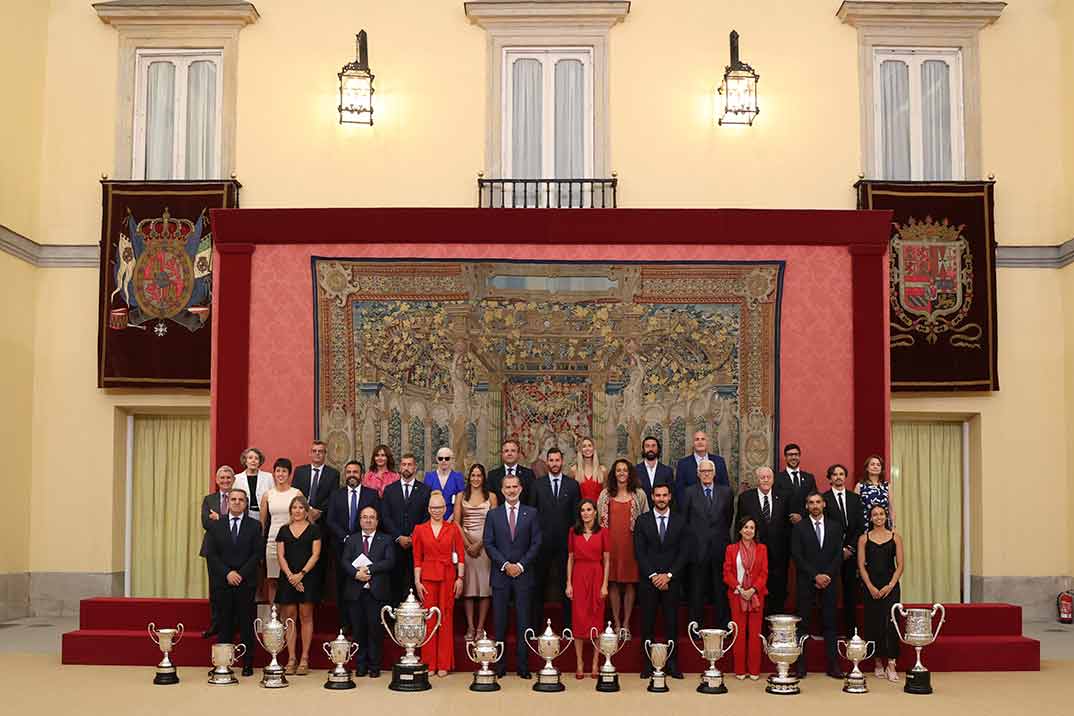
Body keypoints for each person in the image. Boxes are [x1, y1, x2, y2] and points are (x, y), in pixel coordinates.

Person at [483, 473, 542, 678]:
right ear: (502, 490)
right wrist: (506, 564)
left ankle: (523, 667)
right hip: (501, 575)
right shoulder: (493, 515)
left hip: (524, 576)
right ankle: (499, 667)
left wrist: (521, 565)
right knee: (499, 623)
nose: (511, 490)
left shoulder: (531, 513)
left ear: (520, 489)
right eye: (507, 487)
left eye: (514, 487)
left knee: (523, 622)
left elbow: (536, 543)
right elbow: (488, 543)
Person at [204, 488, 263, 677]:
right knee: (224, 624)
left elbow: (257, 554)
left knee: (246, 624)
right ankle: (223, 662)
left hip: (245, 582)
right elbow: (211, 555)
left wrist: (241, 574)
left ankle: (247, 663)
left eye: (241, 500)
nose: (237, 502)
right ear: (228, 502)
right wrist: (228, 573)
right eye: (234, 499)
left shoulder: (255, 526)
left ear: (246, 504)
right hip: (223, 582)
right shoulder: (215, 525)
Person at [634, 483, 689, 679]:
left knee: (671, 624)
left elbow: (684, 552)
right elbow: (639, 552)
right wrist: (654, 576)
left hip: (672, 581)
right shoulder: (642, 521)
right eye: (658, 495)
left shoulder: (680, 521)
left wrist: (669, 576)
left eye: (665, 495)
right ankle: (648, 664)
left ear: (670, 497)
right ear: (652, 497)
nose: (661, 499)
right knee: (647, 624)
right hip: (649, 581)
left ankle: (672, 663)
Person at [791, 492, 844, 679]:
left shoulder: (835, 527)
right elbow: (797, 555)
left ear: (824, 505)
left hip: (830, 581)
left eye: (818, 502)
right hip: (807, 581)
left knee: (830, 623)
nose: (815, 505)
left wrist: (827, 575)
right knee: (802, 624)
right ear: (806, 506)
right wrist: (815, 575)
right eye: (811, 502)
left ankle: (833, 666)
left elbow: (839, 554)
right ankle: (800, 666)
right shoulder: (799, 527)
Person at [412, 490, 466, 677]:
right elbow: (417, 558)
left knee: (445, 618)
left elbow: (460, 555)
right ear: (428, 509)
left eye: (440, 507)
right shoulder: (419, 529)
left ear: (445, 508)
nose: (437, 510)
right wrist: (417, 582)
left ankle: (444, 663)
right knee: (429, 619)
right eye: (433, 507)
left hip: (448, 577)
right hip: (427, 577)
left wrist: (460, 578)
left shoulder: (453, 528)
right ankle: (429, 663)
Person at [341, 505, 396, 678]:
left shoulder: (386, 539)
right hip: (356, 592)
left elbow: (389, 562)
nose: (368, 520)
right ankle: (360, 665)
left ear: (377, 521)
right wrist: (356, 574)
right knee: (358, 630)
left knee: (375, 630)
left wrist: (369, 569)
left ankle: (374, 666)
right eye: (365, 517)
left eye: (372, 517)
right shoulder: (352, 540)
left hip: (376, 593)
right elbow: (344, 561)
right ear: (360, 520)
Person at [596, 458, 649, 636]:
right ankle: (616, 623)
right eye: (618, 470)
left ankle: (626, 623)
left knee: (629, 583)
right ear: (613, 473)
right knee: (612, 582)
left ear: (630, 473)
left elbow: (646, 519)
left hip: (631, 544)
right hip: (610, 545)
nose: (621, 473)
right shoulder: (605, 494)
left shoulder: (639, 494)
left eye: (624, 470)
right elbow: (597, 522)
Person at [530, 447, 581, 629]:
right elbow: (532, 515)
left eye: (557, 460)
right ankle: (535, 628)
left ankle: (568, 627)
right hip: (541, 544)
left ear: (562, 461)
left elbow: (577, 517)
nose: (554, 464)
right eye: (551, 460)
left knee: (566, 586)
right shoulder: (537, 485)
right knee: (538, 586)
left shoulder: (572, 485)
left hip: (565, 545)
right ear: (546, 462)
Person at [681, 458, 734, 631]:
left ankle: (723, 626)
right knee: (697, 590)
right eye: (703, 471)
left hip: (720, 548)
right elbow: (685, 520)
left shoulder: (726, 492)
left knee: (720, 590)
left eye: (709, 471)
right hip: (697, 549)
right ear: (698, 474)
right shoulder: (689, 492)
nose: (706, 474)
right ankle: (695, 628)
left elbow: (728, 518)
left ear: (714, 473)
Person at [326, 460, 379, 631]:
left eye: (355, 472)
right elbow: (330, 520)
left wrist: (357, 538)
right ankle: (345, 623)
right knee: (343, 585)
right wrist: (346, 538)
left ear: (361, 475)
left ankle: (364, 623)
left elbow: (376, 519)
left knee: (364, 585)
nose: (351, 475)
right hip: (341, 547)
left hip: (365, 547)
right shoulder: (336, 494)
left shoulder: (371, 494)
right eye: (348, 472)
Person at [274, 494, 322, 675]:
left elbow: (315, 555)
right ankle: (291, 658)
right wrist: (291, 577)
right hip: (287, 578)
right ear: (290, 510)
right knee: (289, 618)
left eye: (301, 507)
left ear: (306, 510)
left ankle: (304, 658)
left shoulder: (314, 530)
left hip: (307, 577)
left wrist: (301, 575)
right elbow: (280, 556)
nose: (297, 511)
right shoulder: (283, 530)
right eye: (294, 507)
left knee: (306, 615)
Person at [857, 504, 904, 683]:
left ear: (886, 516)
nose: (878, 517)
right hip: (870, 586)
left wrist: (890, 585)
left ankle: (891, 663)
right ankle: (877, 662)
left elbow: (900, 565)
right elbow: (861, 565)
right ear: (870, 518)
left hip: (890, 586)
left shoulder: (895, 537)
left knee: (891, 623)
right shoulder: (864, 539)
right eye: (875, 514)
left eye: (881, 514)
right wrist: (869, 586)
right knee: (873, 622)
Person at [736, 466, 790, 615]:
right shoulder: (746, 498)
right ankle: (756, 631)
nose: (766, 480)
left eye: (769, 477)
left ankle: (774, 630)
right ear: (757, 480)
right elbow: (738, 526)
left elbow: (787, 527)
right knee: (755, 591)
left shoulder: (784, 497)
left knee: (777, 592)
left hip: (779, 555)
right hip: (753, 555)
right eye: (762, 477)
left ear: (773, 480)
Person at [566, 499, 609, 679]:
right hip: (578, 575)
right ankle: (579, 663)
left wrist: (605, 584)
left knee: (596, 620)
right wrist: (568, 583)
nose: (585, 513)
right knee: (579, 620)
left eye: (589, 509)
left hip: (596, 575)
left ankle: (594, 663)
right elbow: (570, 558)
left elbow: (607, 560)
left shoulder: (604, 533)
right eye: (582, 510)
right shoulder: (572, 532)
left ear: (595, 512)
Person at [454, 463, 497, 641]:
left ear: (483, 478)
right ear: (469, 477)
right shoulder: (461, 496)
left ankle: (480, 628)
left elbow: (495, 523)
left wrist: (481, 543)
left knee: (485, 589)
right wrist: (467, 544)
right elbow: (456, 522)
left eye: (479, 475)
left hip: (486, 546)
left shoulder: (492, 497)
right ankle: (470, 627)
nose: (476, 479)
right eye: (473, 475)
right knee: (469, 589)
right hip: (466, 546)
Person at [381, 453, 431, 603]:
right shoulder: (389, 490)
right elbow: (385, 517)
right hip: (395, 545)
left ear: (415, 468)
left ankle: (416, 620)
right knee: (395, 583)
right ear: (399, 468)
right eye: (404, 464)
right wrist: (398, 537)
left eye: (410, 464)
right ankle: (395, 620)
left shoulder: (424, 490)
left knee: (416, 582)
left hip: (417, 544)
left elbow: (426, 517)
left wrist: (413, 537)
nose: (407, 468)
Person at [723, 516, 768, 680]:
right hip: (737, 595)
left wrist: (753, 589)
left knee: (755, 633)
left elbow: (764, 573)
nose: (749, 530)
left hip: (756, 596)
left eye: (752, 528)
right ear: (740, 530)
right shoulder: (731, 549)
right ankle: (740, 670)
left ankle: (754, 670)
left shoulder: (762, 549)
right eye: (746, 527)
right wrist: (740, 589)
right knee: (739, 633)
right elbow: (727, 573)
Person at [823, 463, 865, 636]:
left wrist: (850, 548)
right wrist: (839, 550)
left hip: (851, 553)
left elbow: (860, 526)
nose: (838, 477)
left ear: (845, 477)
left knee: (850, 594)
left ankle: (851, 632)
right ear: (830, 478)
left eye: (841, 474)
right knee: (829, 595)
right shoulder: (823, 498)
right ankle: (829, 632)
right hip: (832, 554)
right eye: (835, 474)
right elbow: (823, 527)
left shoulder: (855, 498)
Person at [259, 458, 301, 605]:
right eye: (278, 471)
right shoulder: (267, 495)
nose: (281, 474)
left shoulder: (296, 493)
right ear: (274, 473)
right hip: (272, 540)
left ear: (289, 474)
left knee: (289, 579)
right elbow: (262, 523)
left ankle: (288, 618)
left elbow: (304, 518)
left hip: (293, 540)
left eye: (284, 471)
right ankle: (274, 619)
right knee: (272, 580)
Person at [200, 465, 235, 638]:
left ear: (233, 480)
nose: (225, 480)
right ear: (217, 480)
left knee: (232, 589)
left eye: (228, 477)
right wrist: (226, 520)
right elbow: (206, 523)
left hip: (234, 549)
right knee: (215, 589)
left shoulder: (238, 498)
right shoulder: (209, 499)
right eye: (222, 478)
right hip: (213, 549)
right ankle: (216, 624)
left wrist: (219, 518)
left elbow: (238, 520)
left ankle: (232, 624)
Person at [674, 431, 729, 505]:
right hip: (692, 510)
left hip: (716, 509)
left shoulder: (719, 461)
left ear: (707, 442)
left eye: (703, 439)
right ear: (693, 444)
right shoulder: (683, 464)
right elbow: (680, 490)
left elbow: (725, 487)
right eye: (697, 439)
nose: (700, 442)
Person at [293, 440, 340, 524]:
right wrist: (309, 509)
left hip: (323, 517)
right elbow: (294, 492)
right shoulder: (300, 471)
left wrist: (319, 511)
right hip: (302, 515)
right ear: (310, 453)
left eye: (320, 451)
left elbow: (333, 496)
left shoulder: (333, 474)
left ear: (325, 454)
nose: (317, 453)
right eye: (314, 451)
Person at [775, 443, 817, 526]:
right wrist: (791, 517)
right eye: (790, 455)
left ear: (799, 456)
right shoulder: (777, 478)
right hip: (784, 525)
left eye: (796, 454)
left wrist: (802, 515)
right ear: (785, 457)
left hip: (806, 523)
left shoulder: (809, 478)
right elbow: (775, 502)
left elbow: (814, 499)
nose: (793, 457)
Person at [487, 439, 536, 506]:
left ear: (518, 454)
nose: (509, 454)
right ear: (502, 454)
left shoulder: (528, 474)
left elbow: (532, 499)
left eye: (513, 451)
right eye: (506, 451)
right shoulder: (492, 475)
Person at [423, 447, 465, 520]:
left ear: (452, 460)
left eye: (447, 458)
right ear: (437, 459)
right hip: (433, 519)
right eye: (440, 458)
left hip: (452, 519)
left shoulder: (458, 477)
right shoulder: (429, 477)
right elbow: (426, 502)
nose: (443, 461)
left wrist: (452, 519)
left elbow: (460, 502)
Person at [855, 454, 893, 528]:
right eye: (872, 464)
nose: (875, 467)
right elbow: (855, 509)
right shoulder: (860, 486)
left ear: (881, 469)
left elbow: (891, 508)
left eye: (878, 465)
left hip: (883, 524)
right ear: (867, 468)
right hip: (865, 525)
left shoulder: (887, 486)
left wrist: (893, 526)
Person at [635, 435, 674, 506]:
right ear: (643, 449)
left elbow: (671, 496)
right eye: (647, 446)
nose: (650, 449)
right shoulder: (635, 471)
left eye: (653, 446)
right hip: (641, 512)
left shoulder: (667, 471)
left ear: (658, 449)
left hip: (661, 512)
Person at [235, 447, 272, 521]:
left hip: (265, 515)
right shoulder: (237, 478)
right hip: (244, 515)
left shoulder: (268, 477)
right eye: (250, 458)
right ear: (245, 461)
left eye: (256, 458)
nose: (253, 461)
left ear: (260, 461)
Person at [571, 436, 606, 502]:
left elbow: (606, 496)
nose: (587, 449)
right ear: (580, 450)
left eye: (590, 445)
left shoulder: (602, 470)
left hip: (598, 510)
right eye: (584, 446)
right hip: (581, 511)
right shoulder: (574, 470)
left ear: (593, 448)